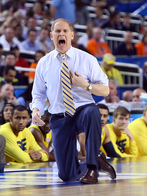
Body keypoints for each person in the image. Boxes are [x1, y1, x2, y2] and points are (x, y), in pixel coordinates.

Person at [31, 19, 115, 183]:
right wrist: (35, 110)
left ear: (72, 35)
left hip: (82, 110)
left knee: (92, 112)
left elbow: (105, 89)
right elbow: (38, 94)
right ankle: (99, 162)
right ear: (51, 36)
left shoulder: (86, 59)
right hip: (59, 116)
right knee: (66, 175)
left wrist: (85, 85)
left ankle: (92, 168)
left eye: (64, 31)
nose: (61, 34)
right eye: (57, 31)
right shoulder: (43, 63)